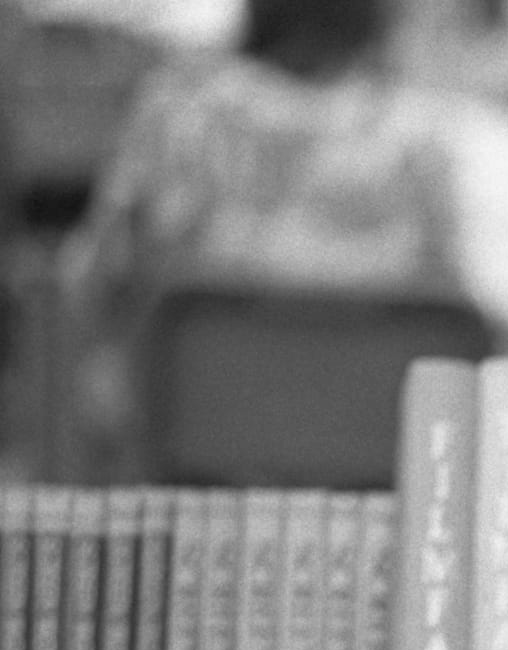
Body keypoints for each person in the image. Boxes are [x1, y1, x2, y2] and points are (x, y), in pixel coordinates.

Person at [57, 0, 462, 480]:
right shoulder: (419, 139)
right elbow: (448, 330)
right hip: (373, 479)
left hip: (189, 463)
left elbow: (90, 278)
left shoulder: (181, 113)